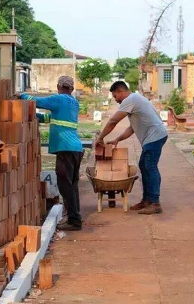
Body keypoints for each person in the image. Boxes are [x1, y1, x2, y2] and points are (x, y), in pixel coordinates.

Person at [19, 76, 84, 231]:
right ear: (72, 89)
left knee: (64, 185)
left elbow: (37, 101)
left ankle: (74, 221)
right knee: (72, 185)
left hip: (65, 148)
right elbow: (51, 117)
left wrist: (21, 96)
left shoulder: (59, 99)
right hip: (75, 149)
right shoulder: (73, 102)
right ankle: (74, 216)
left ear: (58, 86)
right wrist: (37, 117)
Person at [96, 81, 168, 215]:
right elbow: (132, 128)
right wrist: (117, 139)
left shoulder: (130, 99)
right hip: (155, 136)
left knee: (150, 166)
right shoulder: (135, 99)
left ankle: (155, 203)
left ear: (120, 92)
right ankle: (147, 200)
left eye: (115, 96)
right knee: (144, 165)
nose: (115, 100)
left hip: (155, 136)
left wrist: (100, 138)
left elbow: (113, 121)